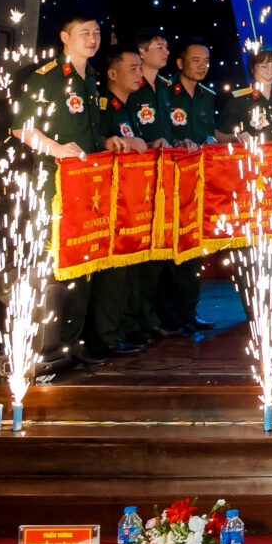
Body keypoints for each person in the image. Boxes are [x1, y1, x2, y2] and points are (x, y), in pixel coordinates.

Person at [7, 12, 116, 366]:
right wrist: (56, 149)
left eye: (96, 32)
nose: (92, 39)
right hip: (55, 186)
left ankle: (74, 345)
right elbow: (22, 129)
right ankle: (47, 348)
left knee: (85, 260)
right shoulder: (49, 77)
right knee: (57, 262)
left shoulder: (92, 78)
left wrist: (109, 141)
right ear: (65, 37)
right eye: (84, 33)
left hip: (88, 185)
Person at [88, 46, 158, 357]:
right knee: (114, 273)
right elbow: (100, 143)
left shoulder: (130, 106)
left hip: (132, 201)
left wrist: (149, 143)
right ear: (112, 74)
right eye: (132, 68)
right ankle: (105, 338)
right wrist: (122, 142)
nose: (139, 73)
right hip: (109, 201)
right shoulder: (104, 106)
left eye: (140, 68)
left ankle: (126, 328)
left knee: (132, 270)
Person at [151, 37, 219, 335]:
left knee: (195, 249)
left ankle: (189, 312)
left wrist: (215, 140)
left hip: (199, 181)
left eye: (206, 61)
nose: (202, 66)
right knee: (170, 250)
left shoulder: (207, 95)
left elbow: (207, 132)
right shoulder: (164, 91)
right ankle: (167, 316)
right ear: (180, 63)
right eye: (195, 60)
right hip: (169, 181)